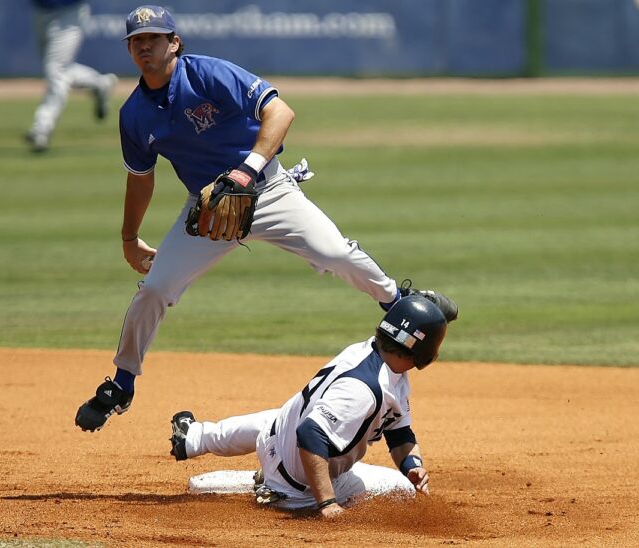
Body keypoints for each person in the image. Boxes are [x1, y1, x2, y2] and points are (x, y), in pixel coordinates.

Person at [73, 5, 458, 432]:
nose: (146, 47)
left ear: (174, 43)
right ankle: (123, 382)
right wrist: (129, 236)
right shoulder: (133, 114)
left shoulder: (207, 74)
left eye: (155, 39)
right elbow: (140, 178)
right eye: (137, 41)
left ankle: (401, 302)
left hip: (269, 188)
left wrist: (246, 169)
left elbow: (281, 113)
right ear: (129, 49)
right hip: (210, 211)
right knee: (156, 288)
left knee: (334, 253)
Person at [168, 295, 446, 516]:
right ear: (422, 353)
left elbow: (399, 432)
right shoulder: (365, 390)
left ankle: (195, 438)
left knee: (291, 413)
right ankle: (274, 490)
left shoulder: (372, 352)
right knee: (400, 491)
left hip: (275, 437)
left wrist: (412, 465)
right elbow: (311, 434)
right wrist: (327, 504)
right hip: (298, 485)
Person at [25, 0, 118, 152]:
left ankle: (42, 128)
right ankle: (101, 84)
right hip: (41, 11)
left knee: (56, 70)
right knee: (59, 71)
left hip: (69, 12)